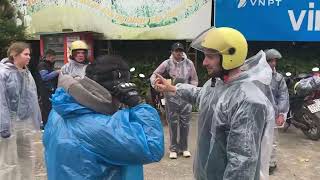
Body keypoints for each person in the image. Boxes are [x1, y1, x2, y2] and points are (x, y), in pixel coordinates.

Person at [154, 27, 275, 180]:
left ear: (231, 56)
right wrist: (172, 88)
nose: (204, 62)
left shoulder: (248, 100)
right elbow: (201, 96)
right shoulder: (218, 85)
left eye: (210, 57)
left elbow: (242, 162)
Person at [43, 55, 164, 180]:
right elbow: (153, 148)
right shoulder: (100, 127)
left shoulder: (59, 111)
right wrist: (138, 104)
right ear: (119, 89)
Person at [0, 42, 42, 180]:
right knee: (8, 160)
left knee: (26, 155)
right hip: (8, 123)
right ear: (14, 55)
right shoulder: (3, 73)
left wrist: (36, 120)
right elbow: (2, 101)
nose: (29, 57)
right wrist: (4, 125)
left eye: (29, 54)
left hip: (24, 122)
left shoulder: (26, 73)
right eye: (26, 54)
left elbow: (32, 98)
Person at [150, 42, 198, 159]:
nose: (178, 53)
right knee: (172, 122)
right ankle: (173, 149)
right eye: (176, 51)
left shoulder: (189, 63)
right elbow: (154, 75)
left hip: (185, 97)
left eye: (180, 51)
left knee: (185, 123)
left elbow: (194, 79)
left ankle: (184, 148)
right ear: (172, 52)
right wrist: (155, 85)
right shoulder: (167, 63)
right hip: (171, 96)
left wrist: (192, 91)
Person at [264, 49, 290, 174]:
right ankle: (259, 161)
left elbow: (283, 96)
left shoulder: (279, 78)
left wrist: (281, 114)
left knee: (272, 140)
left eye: (275, 61)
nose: (273, 63)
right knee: (258, 139)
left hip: (273, 114)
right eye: (270, 60)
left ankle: (271, 163)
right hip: (259, 114)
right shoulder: (257, 76)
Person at [38, 49, 59, 127]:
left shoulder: (49, 64)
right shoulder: (42, 65)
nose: (54, 60)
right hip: (45, 90)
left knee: (50, 107)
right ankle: (46, 124)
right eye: (53, 58)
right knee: (46, 107)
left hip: (50, 90)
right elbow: (45, 77)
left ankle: (49, 123)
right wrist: (57, 72)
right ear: (48, 56)